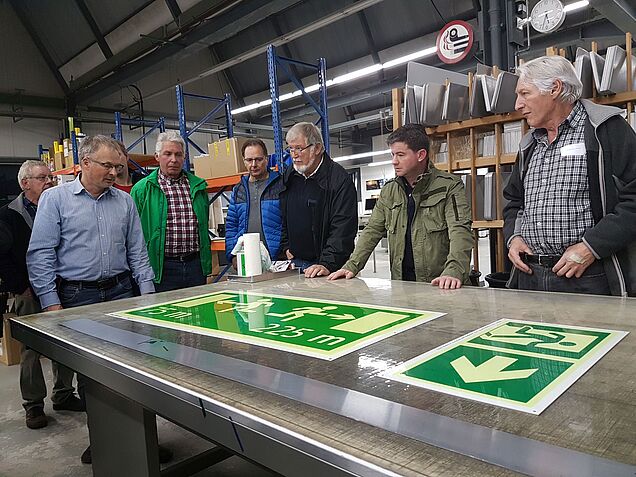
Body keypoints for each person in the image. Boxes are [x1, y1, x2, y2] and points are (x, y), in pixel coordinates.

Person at [25, 135, 169, 464]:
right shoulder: (56, 200)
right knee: (92, 375)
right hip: (78, 296)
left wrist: (147, 296)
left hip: (121, 292)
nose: (115, 173)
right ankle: (104, 440)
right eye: (108, 166)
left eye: (119, 167)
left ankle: (144, 440)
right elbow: (41, 254)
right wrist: (51, 303)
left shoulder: (124, 201)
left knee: (135, 369)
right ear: (85, 163)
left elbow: (138, 251)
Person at [503, 55, 636, 296]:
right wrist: (514, 238)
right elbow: (514, 202)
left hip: (588, 274)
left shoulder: (604, 130)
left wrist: (590, 248)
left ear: (555, 88)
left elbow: (634, 199)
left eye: (525, 93)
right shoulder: (529, 144)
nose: (517, 105)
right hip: (530, 275)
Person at [328, 124, 473, 288]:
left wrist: (454, 271)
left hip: (439, 285)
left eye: (400, 155)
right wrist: (352, 265)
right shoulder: (389, 191)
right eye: (392, 154)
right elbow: (372, 231)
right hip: (402, 286)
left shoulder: (449, 186)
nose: (394, 161)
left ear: (421, 155)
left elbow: (460, 232)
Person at [0, 161, 82, 429]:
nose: (49, 181)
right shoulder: (8, 215)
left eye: (50, 177)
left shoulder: (60, 206)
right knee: (31, 350)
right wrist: (21, 286)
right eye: (42, 178)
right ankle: (33, 404)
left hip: (62, 286)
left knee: (66, 343)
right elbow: (3, 257)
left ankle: (63, 394)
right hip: (28, 291)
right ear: (25, 183)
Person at [131, 131, 211, 292]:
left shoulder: (199, 186)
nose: (173, 159)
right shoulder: (142, 190)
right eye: (167, 154)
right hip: (161, 267)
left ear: (185, 157)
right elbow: (132, 235)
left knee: (200, 313)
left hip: (195, 265)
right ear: (157, 156)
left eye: (178, 154)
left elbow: (202, 225)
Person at [280, 122, 358, 278]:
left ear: (317, 148)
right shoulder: (290, 177)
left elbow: (343, 229)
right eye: (290, 148)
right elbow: (284, 216)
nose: (294, 154)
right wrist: (286, 247)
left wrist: (327, 263)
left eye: (299, 148)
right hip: (296, 263)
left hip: (329, 268)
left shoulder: (339, 180)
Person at [225, 139, 283, 265]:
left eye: (258, 159)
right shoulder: (238, 190)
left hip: (277, 257)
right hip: (248, 257)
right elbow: (231, 225)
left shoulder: (280, 185)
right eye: (249, 160)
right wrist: (232, 254)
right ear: (244, 161)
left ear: (266, 159)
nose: (253, 164)